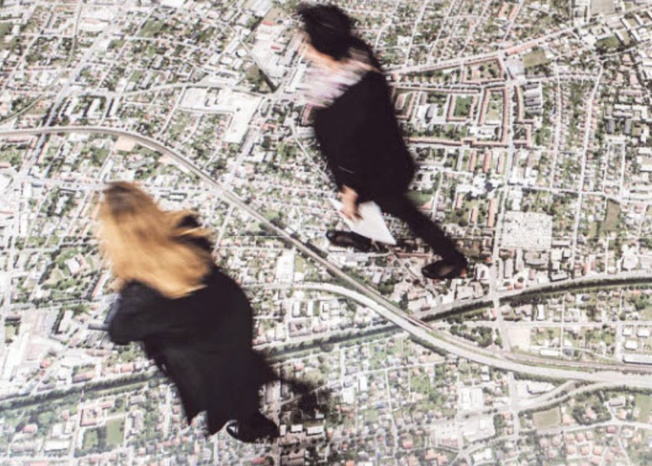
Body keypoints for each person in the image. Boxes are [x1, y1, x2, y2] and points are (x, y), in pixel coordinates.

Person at [98, 182, 280, 443]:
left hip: (201, 348)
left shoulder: (139, 295)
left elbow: (119, 332)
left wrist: (123, 286)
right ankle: (252, 418)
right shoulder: (185, 225)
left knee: (223, 388)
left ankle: (254, 426)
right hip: (230, 312)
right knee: (240, 371)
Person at [298, 3, 468, 280]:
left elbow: (349, 156)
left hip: (376, 176)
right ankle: (363, 237)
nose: (303, 45)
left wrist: (350, 192)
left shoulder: (340, 109)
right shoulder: (358, 56)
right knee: (370, 208)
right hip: (387, 156)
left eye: (308, 41)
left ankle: (454, 260)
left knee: (406, 214)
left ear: (324, 52)